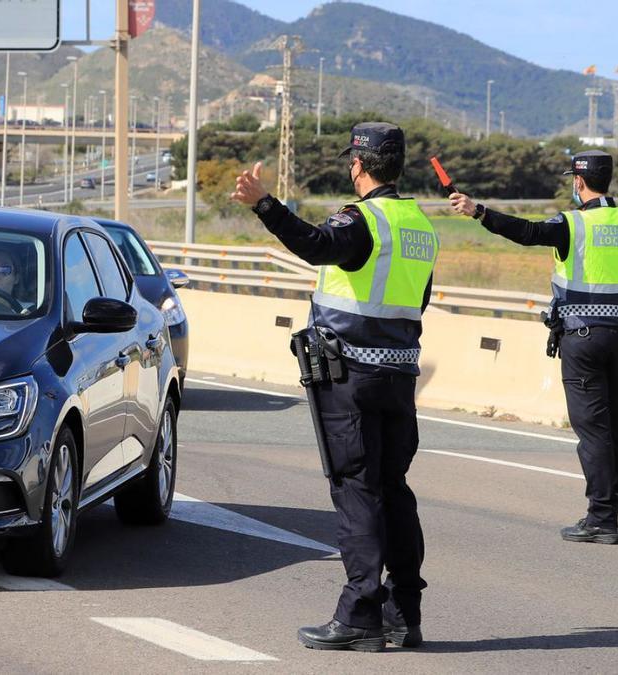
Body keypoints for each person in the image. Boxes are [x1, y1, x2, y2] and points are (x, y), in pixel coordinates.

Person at [231, 122, 436, 652]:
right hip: (400, 374)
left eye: (352, 161)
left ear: (359, 165)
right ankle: (402, 613)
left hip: (352, 376)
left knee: (356, 489)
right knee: (393, 490)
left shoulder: (361, 218)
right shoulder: (419, 224)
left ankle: (360, 615)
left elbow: (318, 246)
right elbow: (420, 298)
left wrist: (265, 205)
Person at [449, 150, 618, 544]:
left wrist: (478, 211)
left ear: (578, 182)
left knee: (592, 428)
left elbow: (526, 232)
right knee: (616, 426)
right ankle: (611, 505)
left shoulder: (572, 224)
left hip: (582, 339)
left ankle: (601, 517)